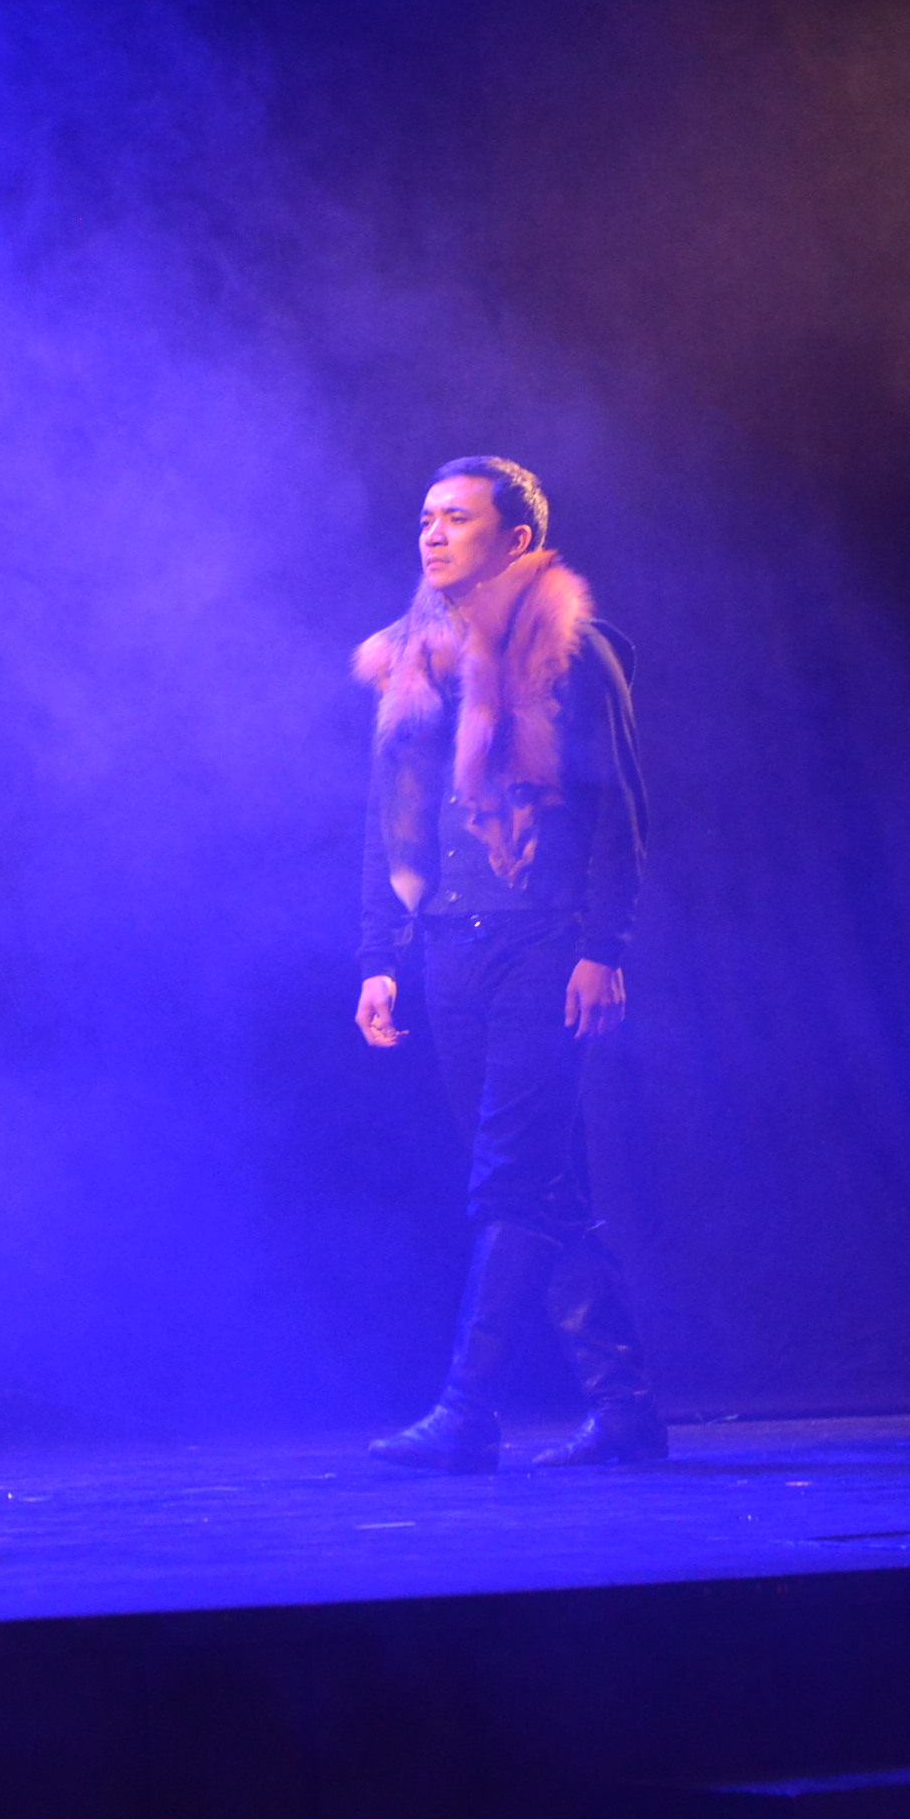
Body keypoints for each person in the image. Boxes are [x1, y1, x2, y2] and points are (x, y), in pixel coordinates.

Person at [351, 455, 660, 1471]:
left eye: (457, 518)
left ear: (517, 538)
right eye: (425, 516)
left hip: (541, 940)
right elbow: (387, 822)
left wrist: (601, 948)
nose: (432, 534)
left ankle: (465, 1410)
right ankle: (624, 1409)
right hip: (449, 945)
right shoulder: (412, 658)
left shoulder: (571, 650)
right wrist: (379, 954)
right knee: (540, 1181)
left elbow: (619, 812)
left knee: (510, 1176)